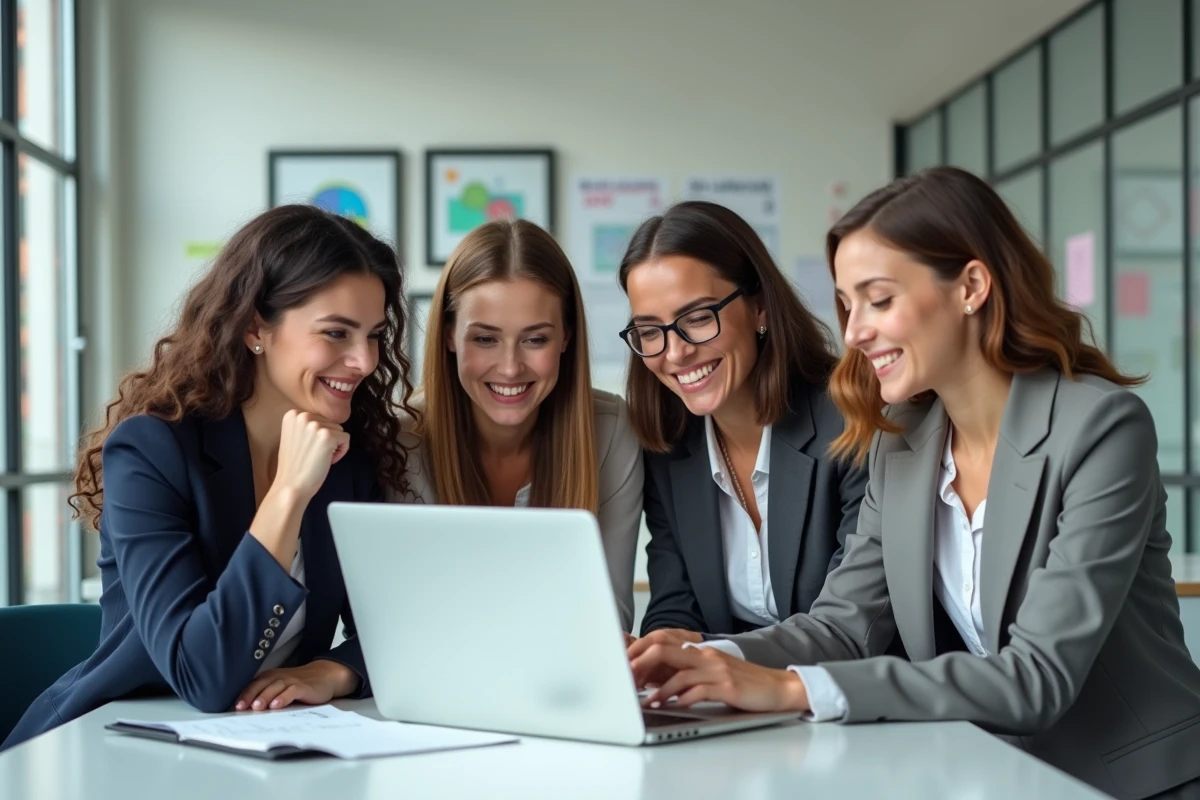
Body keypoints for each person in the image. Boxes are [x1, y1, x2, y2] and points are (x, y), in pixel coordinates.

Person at [630, 168, 1200, 800]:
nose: (853, 333)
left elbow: (1037, 678)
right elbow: (844, 626)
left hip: (1135, 782)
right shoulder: (903, 440)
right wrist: (715, 661)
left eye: (878, 300)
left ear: (971, 288)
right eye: (847, 306)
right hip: (992, 772)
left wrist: (795, 688)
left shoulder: (1099, 427)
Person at [2, 205, 418, 750]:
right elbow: (201, 674)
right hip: (113, 747)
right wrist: (288, 493)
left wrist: (334, 671)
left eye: (374, 335)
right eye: (336, 333)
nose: (364, 361)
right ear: (255, 329)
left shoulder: (349, 460)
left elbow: (396, 629)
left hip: (269, 746)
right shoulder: (153, 450)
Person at [620, 201, 866, 646]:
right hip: (734, 704)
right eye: (650, 331)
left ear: (759, 307)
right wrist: (658, 653)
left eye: (697, 318)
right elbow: (676, 605)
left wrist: (716, 660)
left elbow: (853, 625)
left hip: (851, 698)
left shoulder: (850, 421)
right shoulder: (668, 447)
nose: (675, 353)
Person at [405, 219, 642, 631]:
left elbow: (609, 618)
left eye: (535, 340)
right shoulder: (400, 437)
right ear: (448, 336)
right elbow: (392, 620)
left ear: (566, 337)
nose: (511, 368)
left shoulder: (612, 432)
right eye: (484, 339)